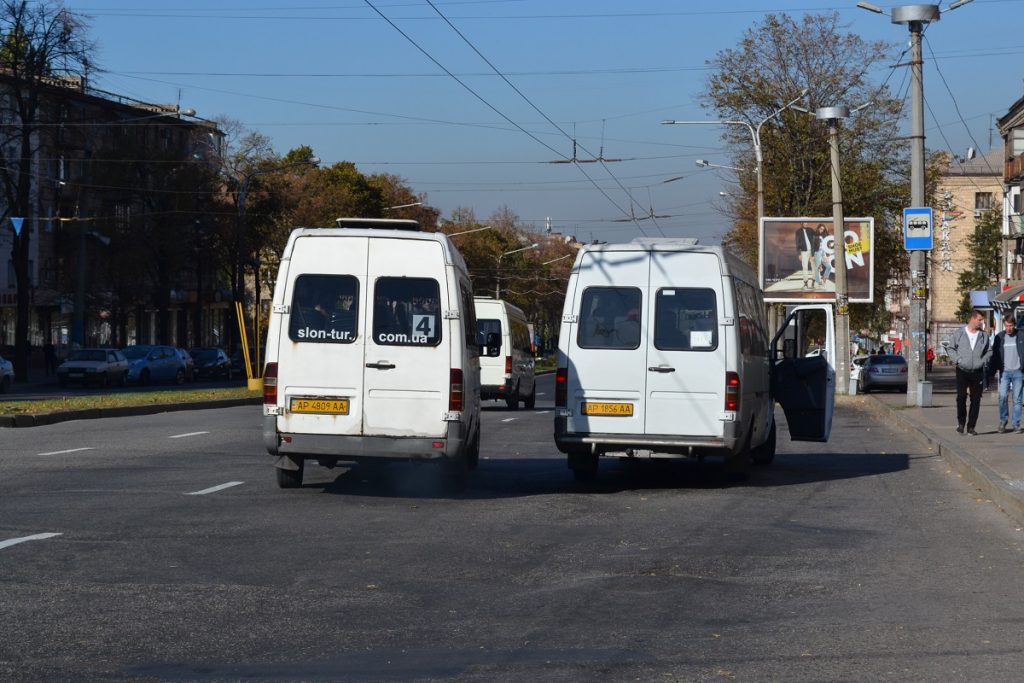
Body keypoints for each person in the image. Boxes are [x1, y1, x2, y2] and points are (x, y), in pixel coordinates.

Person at [948, 309, 993, 436]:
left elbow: (989, 351)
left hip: (977, 371)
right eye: (979, 320)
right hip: (962, 370)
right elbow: (951, 348)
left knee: (976, 399)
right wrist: (958, 360)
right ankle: (961, 423)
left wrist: (982, 361)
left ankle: (971, 426)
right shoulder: (960, 333)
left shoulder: (984, 336)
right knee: (961, 397)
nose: (981, 322)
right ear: (973, 319)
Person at [990, 316, 1024, 433]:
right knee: (1002, 396)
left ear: (1014, 325)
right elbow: (995, 356)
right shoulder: (999, 337)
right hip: (1005, 372)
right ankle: (1003, 420)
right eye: (1006, 326)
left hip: (1018, 371)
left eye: (1010, 326)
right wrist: (991, 372)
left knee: (1017, 399)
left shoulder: (1021, 336)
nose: (1008, 328)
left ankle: (1016, 424)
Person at [794, 224, 819, 290]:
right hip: (803, 252)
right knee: (805, 267)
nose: (806, 223)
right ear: (801, 223)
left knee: (814, 267)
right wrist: (799, 254)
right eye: (804, 222)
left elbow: (817, 235)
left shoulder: (810, 229)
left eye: (806, 222)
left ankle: (813, 282)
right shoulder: (798, 231)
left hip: (812, 251)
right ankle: (805, 284)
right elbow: (797, 242)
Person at [812, 224, 833, 290]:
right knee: (818, 268)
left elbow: (829, 242)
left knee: (829, 267)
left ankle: (824, 280)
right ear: (818, 228)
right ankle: (818, 283)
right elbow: (812, 246)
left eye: (823, 229)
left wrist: (828, 252)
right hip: (817, 252)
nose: (821, 230)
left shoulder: (825, 236)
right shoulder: (814, 235)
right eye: (820, 228)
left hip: (824, 253)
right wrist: (812, 255)